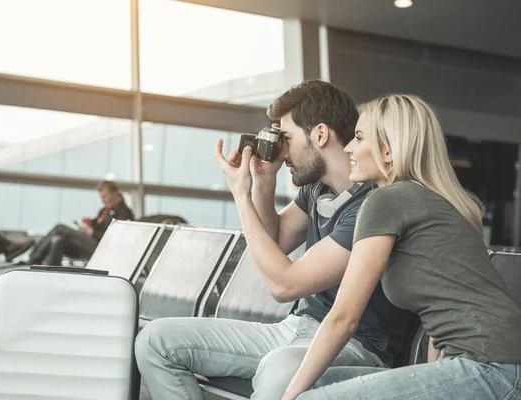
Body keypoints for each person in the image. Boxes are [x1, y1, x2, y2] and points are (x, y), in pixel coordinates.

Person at [134, 80, 415, 400]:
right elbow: (276, 241)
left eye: (287, 137)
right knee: (155, 341)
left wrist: (240, 196)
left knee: (277, 371)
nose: (283, 150)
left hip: (357, 346)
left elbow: (285, 285)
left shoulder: (372, 204)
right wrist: (263, 182)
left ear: (320, 135)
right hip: (295, 327)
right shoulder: (317, 190)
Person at [280, 94, 521, 400]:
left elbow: (343, 318)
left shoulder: (385, 201)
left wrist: (289, 397)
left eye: (358, 137)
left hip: (491, 365)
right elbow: (436, 320)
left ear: (388, 150)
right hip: (488, 363)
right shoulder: (430, 201)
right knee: (312, 384)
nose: (349, 148)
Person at [23, 180, 134, 266]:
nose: (103, 199)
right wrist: (89, 224)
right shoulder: (104, 210)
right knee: (59, 239)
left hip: (103, 248)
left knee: (60, 228)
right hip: (93, 243)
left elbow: (115, 239)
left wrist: (91, 232)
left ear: (114, 193)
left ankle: (34, 258)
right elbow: (97, 224)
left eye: (105, 196)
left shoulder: (124, 213)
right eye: (101, 197)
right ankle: (52, 269)